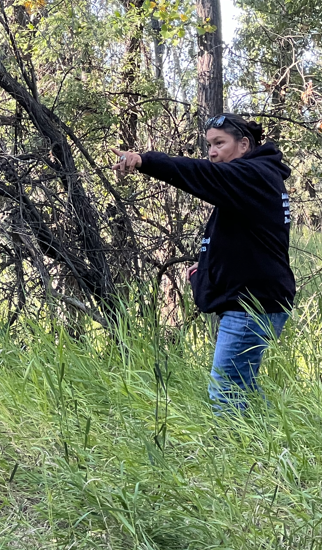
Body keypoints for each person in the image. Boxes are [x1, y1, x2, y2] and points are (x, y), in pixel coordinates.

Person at [110, 113, 295, 411]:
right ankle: (271, 448)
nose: (211, 152)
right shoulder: (252, 179)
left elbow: (197, 174)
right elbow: (242, 242)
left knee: (224, 394)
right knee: (243, 389)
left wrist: (145, 160)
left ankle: (235, 454)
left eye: (219, 143)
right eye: (209, 144)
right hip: (253, 302)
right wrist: (204, 271)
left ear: (244, 144)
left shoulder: (253, 176)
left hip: (251, 307)